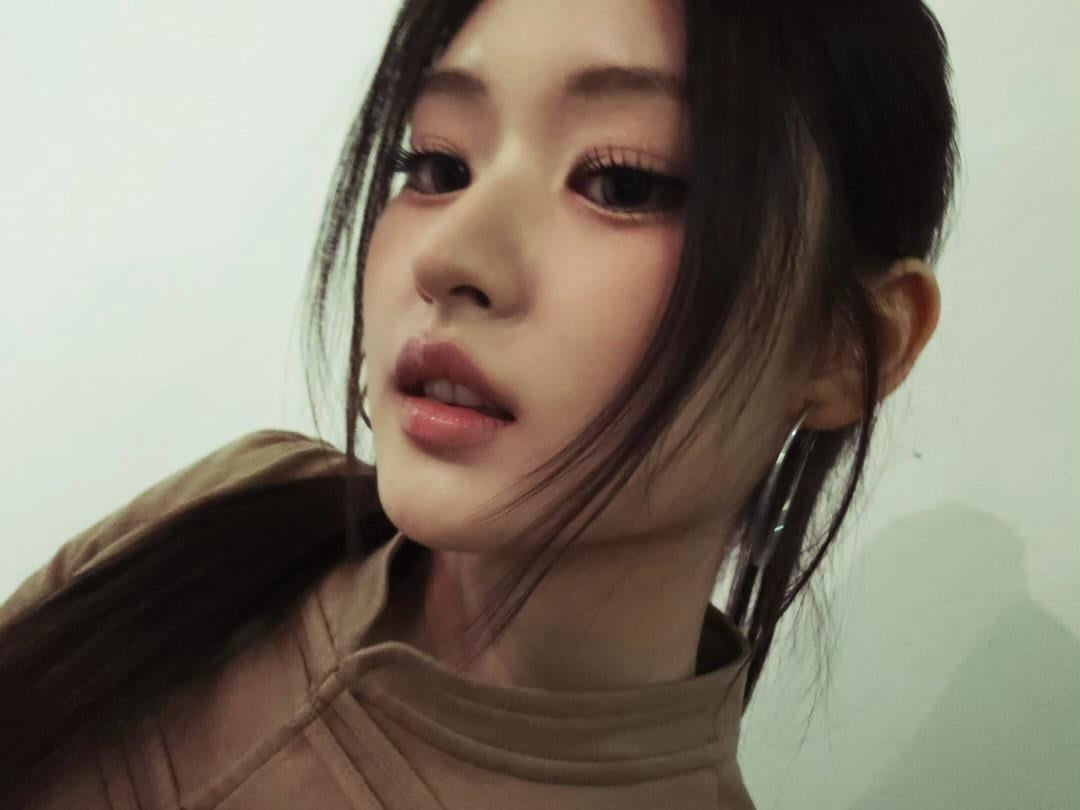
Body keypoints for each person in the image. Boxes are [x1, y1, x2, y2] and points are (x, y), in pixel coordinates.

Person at [0, 0, 958, 806]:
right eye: (435, 167)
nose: (449, 254)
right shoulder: (227, 506)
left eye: (624, 181)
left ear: (848, 348)